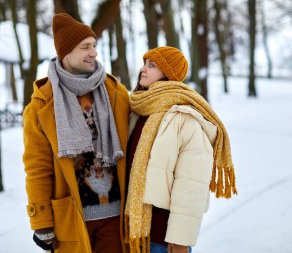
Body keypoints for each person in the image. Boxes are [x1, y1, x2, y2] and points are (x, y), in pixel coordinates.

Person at [22, 13, 130, 253]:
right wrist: (40, 220)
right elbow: (37, 168)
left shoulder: (115, 93)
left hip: (116, 216)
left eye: (94, 46)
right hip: (71, 217)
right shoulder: (42, 106)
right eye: (85, 47)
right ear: (65, 52)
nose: (93, 53)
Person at [124, 46, 237, 253]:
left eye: (152, 65)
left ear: (168, 74)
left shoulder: (187, 119)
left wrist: (180, 241)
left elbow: (190, 186)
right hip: (133, 233)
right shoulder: (137, 111)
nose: (143, 69)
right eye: (144, 63)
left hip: (163, 239)